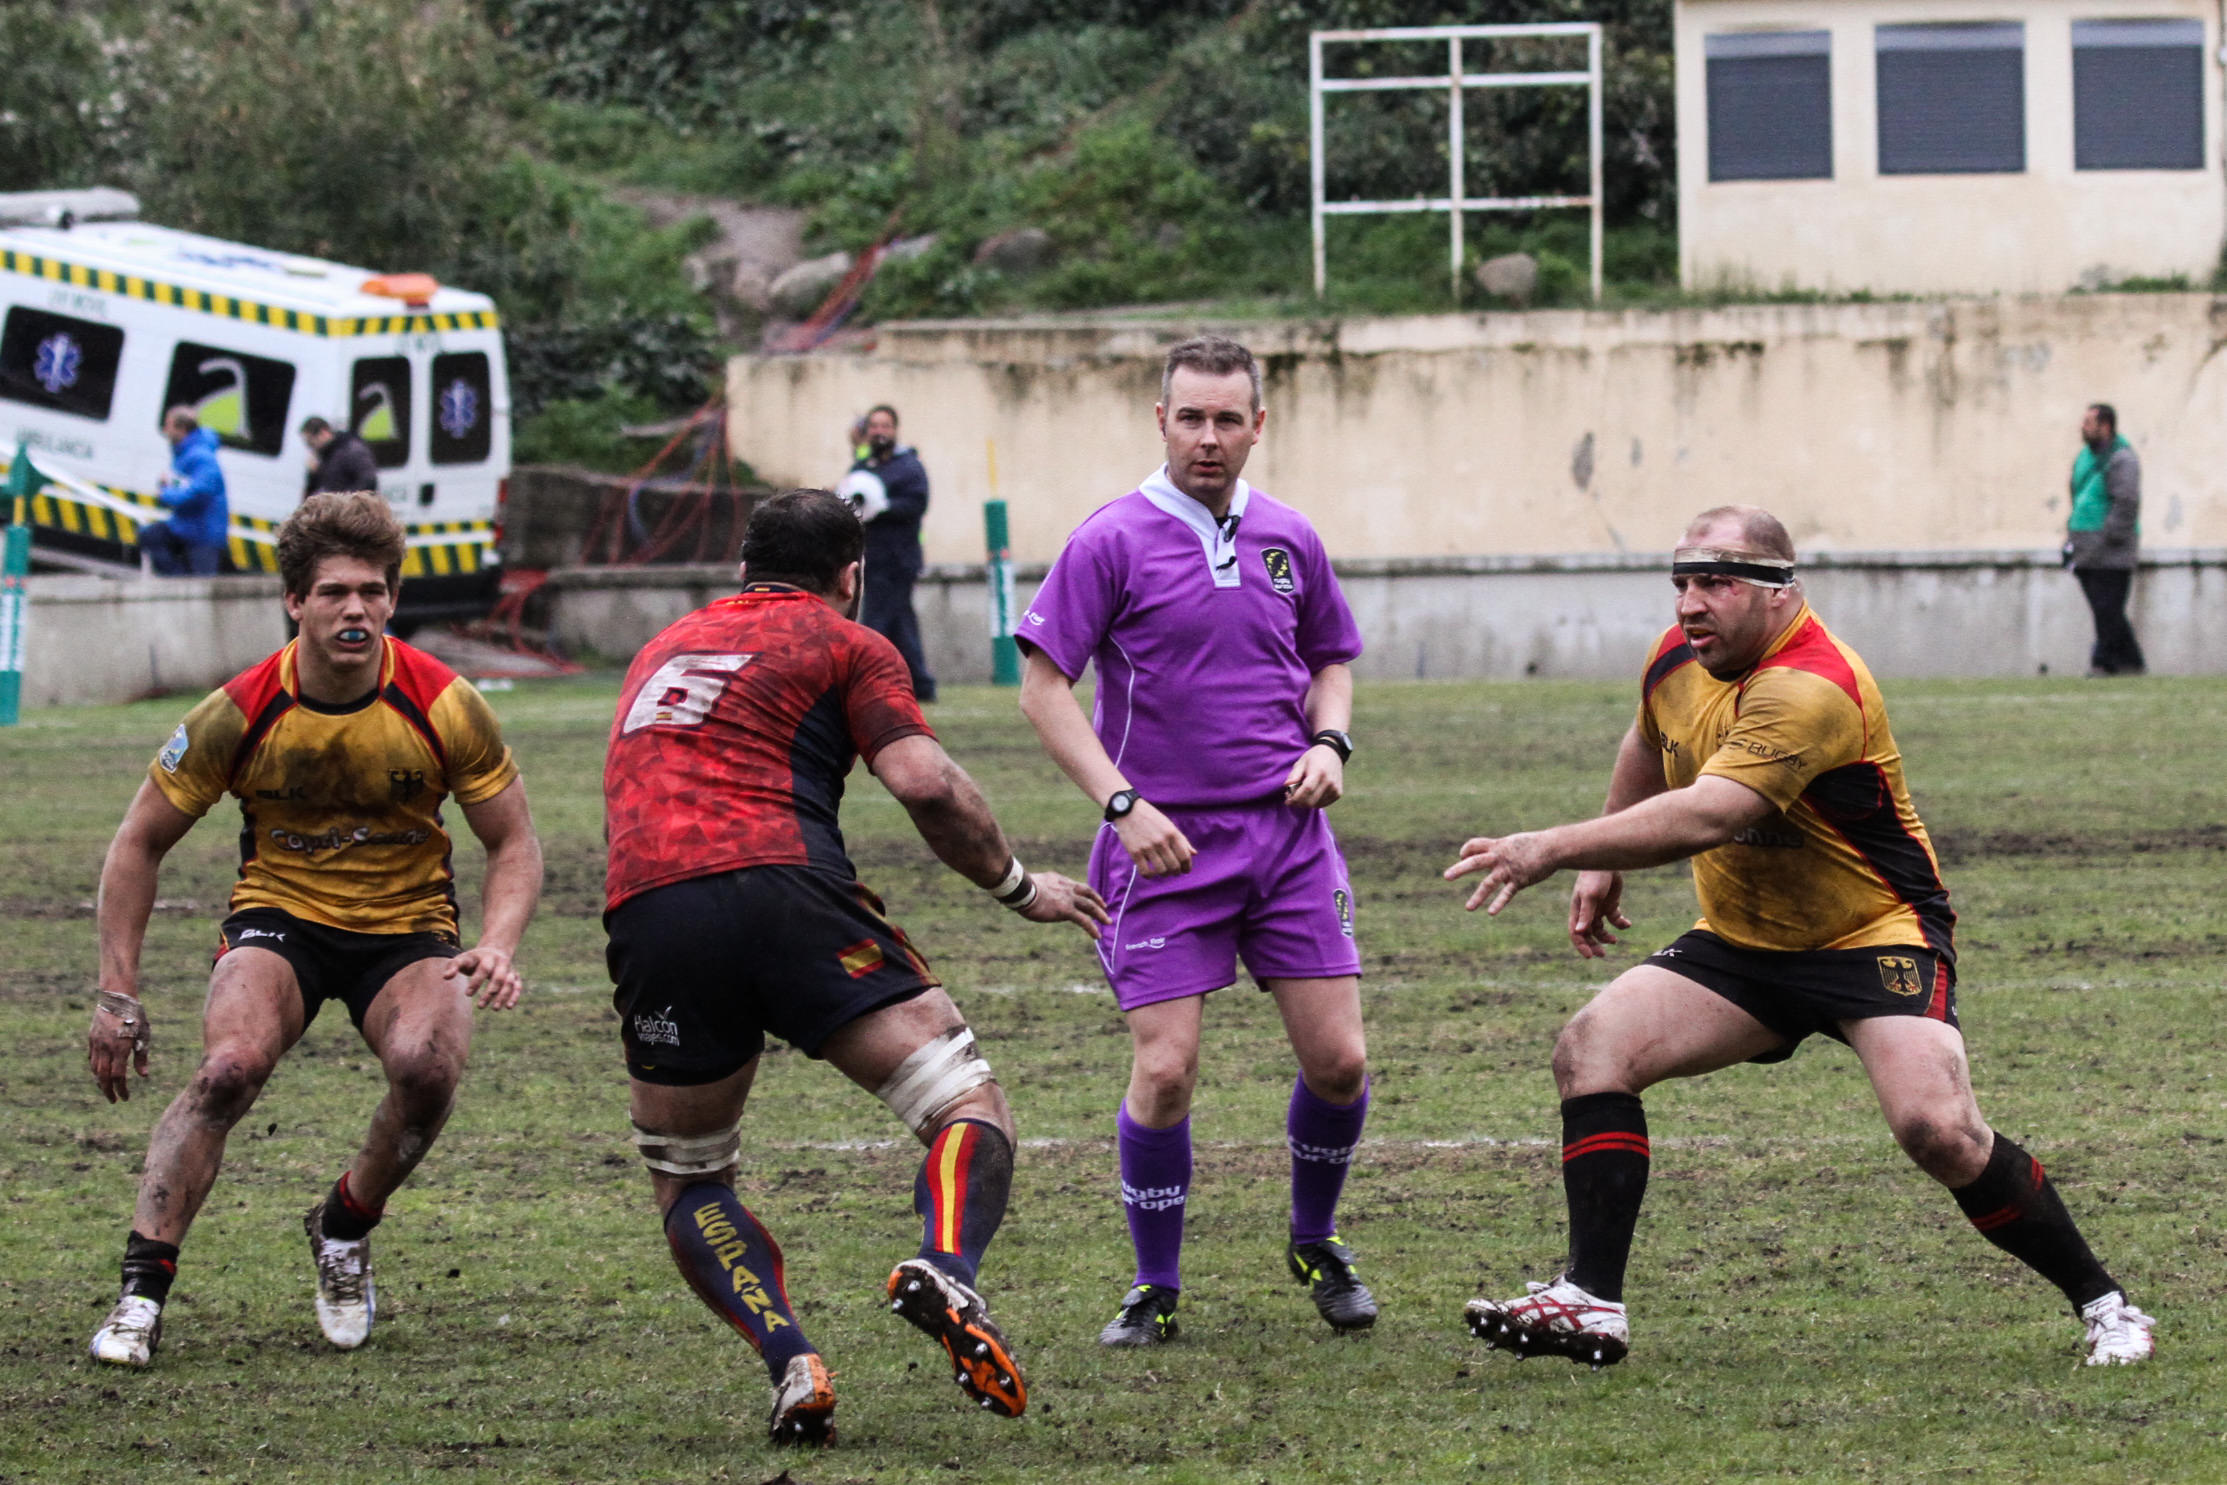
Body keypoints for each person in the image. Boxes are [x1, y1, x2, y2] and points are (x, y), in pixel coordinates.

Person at [1445, 504, 2155, 1371]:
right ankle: (1590, 1299)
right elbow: (1648, 735)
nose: (1690, 603)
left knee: (1939, 1131)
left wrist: (1553, 847)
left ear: (1780, 591)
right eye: (1681, 581)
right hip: (1744, 940)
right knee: (1591, 1049)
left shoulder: (1811, 685)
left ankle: (2106, 1303)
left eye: (1716, 582)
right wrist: (1602, 856)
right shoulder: (1679, 655)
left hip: (1871, 936)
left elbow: (1711, 812)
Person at [601, 487, 1107, 1444]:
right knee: (964, 1101)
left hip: (651, 911)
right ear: (851, 575)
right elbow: (924, 782)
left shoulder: (660, 647)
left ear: (741, 570)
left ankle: (792, 1362)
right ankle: (945, 1267)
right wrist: (1016, 885)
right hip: (784, 889)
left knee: (691, 1175)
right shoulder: (845, 640)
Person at [85, 491, 544, 1368]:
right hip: (281, 918)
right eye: (334, 592)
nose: (355, 610)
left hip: (408, 926)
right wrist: (117, 993)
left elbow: (513, 840)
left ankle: (343, 1224)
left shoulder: (446, 703)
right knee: (226, 1069)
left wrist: (499, 940)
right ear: (295, 600)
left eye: (372, 591)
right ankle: (140, 1295)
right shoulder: (237, 710)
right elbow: (137, 842)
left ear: (393, 599)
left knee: (427, 1067)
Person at [1015, 334, 1374, 1348]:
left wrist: (1329, 743)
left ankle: (1315, 1240)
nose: (1206, 437)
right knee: (1166, 1070)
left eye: (1226, 419)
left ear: (1257, 425)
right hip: (1163, 849)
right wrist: (1123, 807)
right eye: (1189, 418)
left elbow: (1331, 659)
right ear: (1159, 421)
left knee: (1340, 1062)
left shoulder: (1289, 536)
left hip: (1287, 838)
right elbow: (1043, 689)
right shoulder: (1109, 540)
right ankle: (1154, 1285)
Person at [836, 404, 936, 701]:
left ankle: (866, 678)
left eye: (885, 426)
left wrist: (885, 507)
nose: (880, 432)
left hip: (899, 558)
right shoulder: (863, 466)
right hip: (873, 557)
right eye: (875, 426)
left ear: (895, 430)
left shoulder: (909, 467)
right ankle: (919, 683)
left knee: (878, 621)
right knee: (900, 621)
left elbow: (917, 504)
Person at [2066, 403, 2146, 676]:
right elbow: (2078, 496)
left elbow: (2126, 501)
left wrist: (2110, 535)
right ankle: (2131, 662)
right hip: (2084, 544)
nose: (2083, 427)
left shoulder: (2122, 459)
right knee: (2105, 609)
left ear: (2106, 426)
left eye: (2089, 422)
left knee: (2107, 608)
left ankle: (2103, 662)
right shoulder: (2084, 457)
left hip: (2112, 548)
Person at [140, 407, 229, 576]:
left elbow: (200, 491)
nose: (165, 431)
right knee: (150, 536)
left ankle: (178, 582)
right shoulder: (186, 452)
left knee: (199, 584)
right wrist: (167, 484)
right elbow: (184, 484)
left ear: (181, 429)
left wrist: (166, 495)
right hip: (186, 526)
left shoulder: (202, 456)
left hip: (203, 534)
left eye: (168, 425)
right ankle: (177, 581)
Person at [300, 415, 381, 497]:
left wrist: (342, 501)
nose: (311, 448)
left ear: (323, 433)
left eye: (311, 443)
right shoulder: (324, 457)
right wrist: (313, 476)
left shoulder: (352, 450)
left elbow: (368, 482)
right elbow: (315, 494)